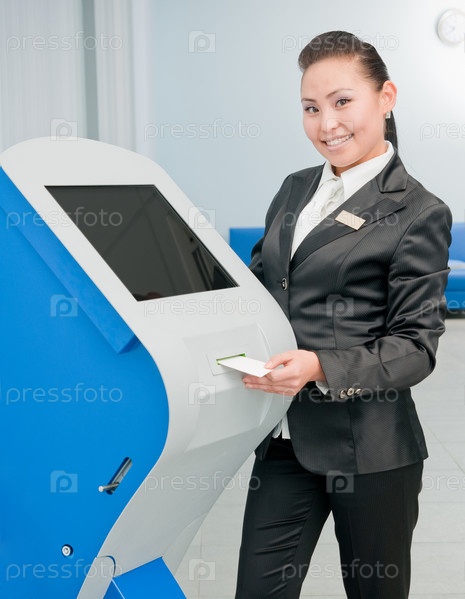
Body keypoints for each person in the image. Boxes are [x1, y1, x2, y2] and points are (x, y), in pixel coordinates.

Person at [234, 30, 452, 599]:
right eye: (311, 108)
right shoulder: (294, 189)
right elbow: (261, 285)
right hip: (286, 442)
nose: (326, 123)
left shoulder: (418, 212)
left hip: (372, 451)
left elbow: (415, 347)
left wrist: (319, 366)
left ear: (386, 97)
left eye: (342, 101)